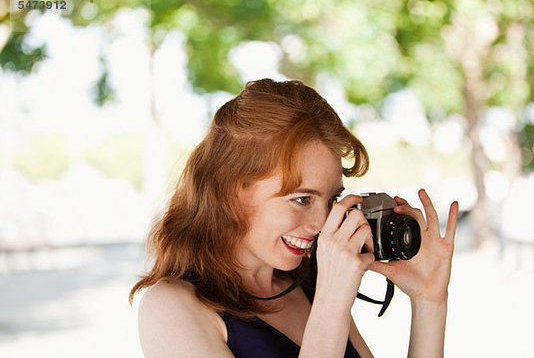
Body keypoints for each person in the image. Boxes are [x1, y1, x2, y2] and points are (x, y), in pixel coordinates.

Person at [129, 79, 458, 357]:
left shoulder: (308, 287)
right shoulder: (169, 307)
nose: (321, 224)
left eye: (331, 199)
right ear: (228, 186)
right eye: (302, 198)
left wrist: (429, 301)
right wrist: (331, 304)